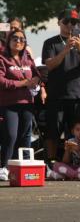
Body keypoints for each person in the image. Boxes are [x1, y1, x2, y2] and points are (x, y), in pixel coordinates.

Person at [42, 12, 80, 162]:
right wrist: (65, 50)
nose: (70, 25)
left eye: (74, 22)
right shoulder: (50, 43)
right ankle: (51, 163)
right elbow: (49, 65)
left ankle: (78, 162)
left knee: (79, 132)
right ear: (59, 22)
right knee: (52, 132)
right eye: (67, 21)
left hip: (77, 96)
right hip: (56, 95)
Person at [0, 29, 40, 181]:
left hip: (27, 103)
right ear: (9, 41)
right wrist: (23, 83)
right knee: (10, 135)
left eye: (22, 39)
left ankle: (22, 166)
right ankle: (4, 167)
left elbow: (37, 74)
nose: (18, 41)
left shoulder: (27, 58)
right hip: (9, 103)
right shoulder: (3, 58)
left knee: (24, 136)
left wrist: (36, 81)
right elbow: (2, 81)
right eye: (15, 38)